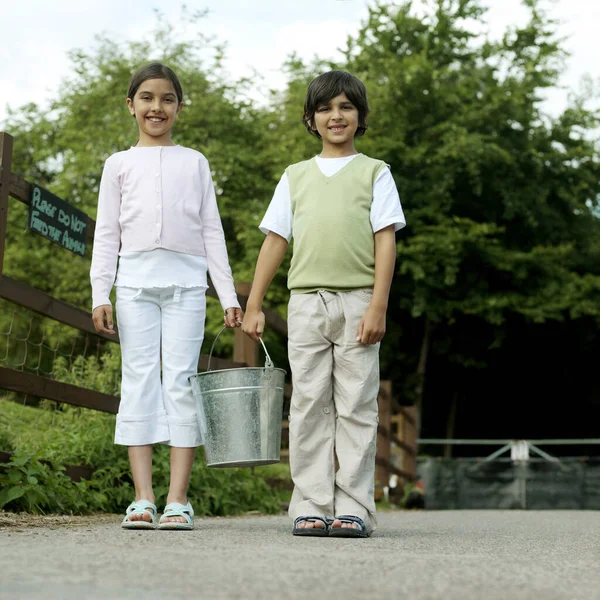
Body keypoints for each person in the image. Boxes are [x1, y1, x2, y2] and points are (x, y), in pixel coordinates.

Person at [242, 70, 406, 538]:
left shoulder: (375, 172)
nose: (336, 116)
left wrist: (378, 306)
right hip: (306, 304)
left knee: (356, 404)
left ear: (360, 116)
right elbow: (275, 241)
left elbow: (385, 240)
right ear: (311, 119)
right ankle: (311, 503)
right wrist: (254, 303)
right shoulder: (295, 177)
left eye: (346, 107)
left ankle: (354, 505)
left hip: (358, 302)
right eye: (326, 108)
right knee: (310, 403)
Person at [90, 62, 242, 530]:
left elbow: (212, 231)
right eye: (148, 98)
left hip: (188, 286)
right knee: (138, 381)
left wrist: (228, 294)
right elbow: (106, 233)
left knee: (180, 382)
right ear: (131, 104)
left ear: (178, 107)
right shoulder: (117, 164)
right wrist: (101, 291)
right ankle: (142, 497)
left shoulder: (194, 161)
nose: (157, 107)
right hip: (133, 284)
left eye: (168, 99)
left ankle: (178, 499)